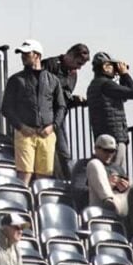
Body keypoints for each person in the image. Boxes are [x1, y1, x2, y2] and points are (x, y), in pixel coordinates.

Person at [0, 39, 66, 185]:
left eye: (26, 53)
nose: (23, 56)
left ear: (37, 55)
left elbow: (61, 106)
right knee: (24, 173)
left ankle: (40, 205)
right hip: (24, 133)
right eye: (22, 54)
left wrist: (53, 126)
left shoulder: (53, 80)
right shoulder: (16, 79)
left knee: (44, 175)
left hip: (46, 134)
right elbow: (6, 107)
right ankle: (22, 204)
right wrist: (21, 127)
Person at [42, 43, 90, 180]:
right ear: (70, 55)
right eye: (78, 63)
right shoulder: (50, 64)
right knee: (58, 150)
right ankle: (66, 179)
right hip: (45, 115)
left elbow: (64, 96)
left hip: (59, 116)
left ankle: (66, 180)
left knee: (63, 151)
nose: (79, 67)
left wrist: (74, 100)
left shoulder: (73, 73)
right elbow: (43, 90)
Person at [86, 51, 133, 174]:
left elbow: (123, 96)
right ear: (105, 66)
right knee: (116, 173)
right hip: (115, 137)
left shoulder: (94, 85)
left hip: (103, 136)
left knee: (108, 172)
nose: (115, 70)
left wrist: (121, 77)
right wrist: (125, 74)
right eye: (112, 66)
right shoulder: (106, 84)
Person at [84, 134, 130, 216]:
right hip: (99, 204)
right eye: (106, 150)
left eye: (112, 151)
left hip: (120, 203)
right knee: (94, 163)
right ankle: (109, 200)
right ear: (96, 149)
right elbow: (79, 191)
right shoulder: (83, 165)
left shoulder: (118, 168)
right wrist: (107, 185)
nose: (109, 154)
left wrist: (125, 187)